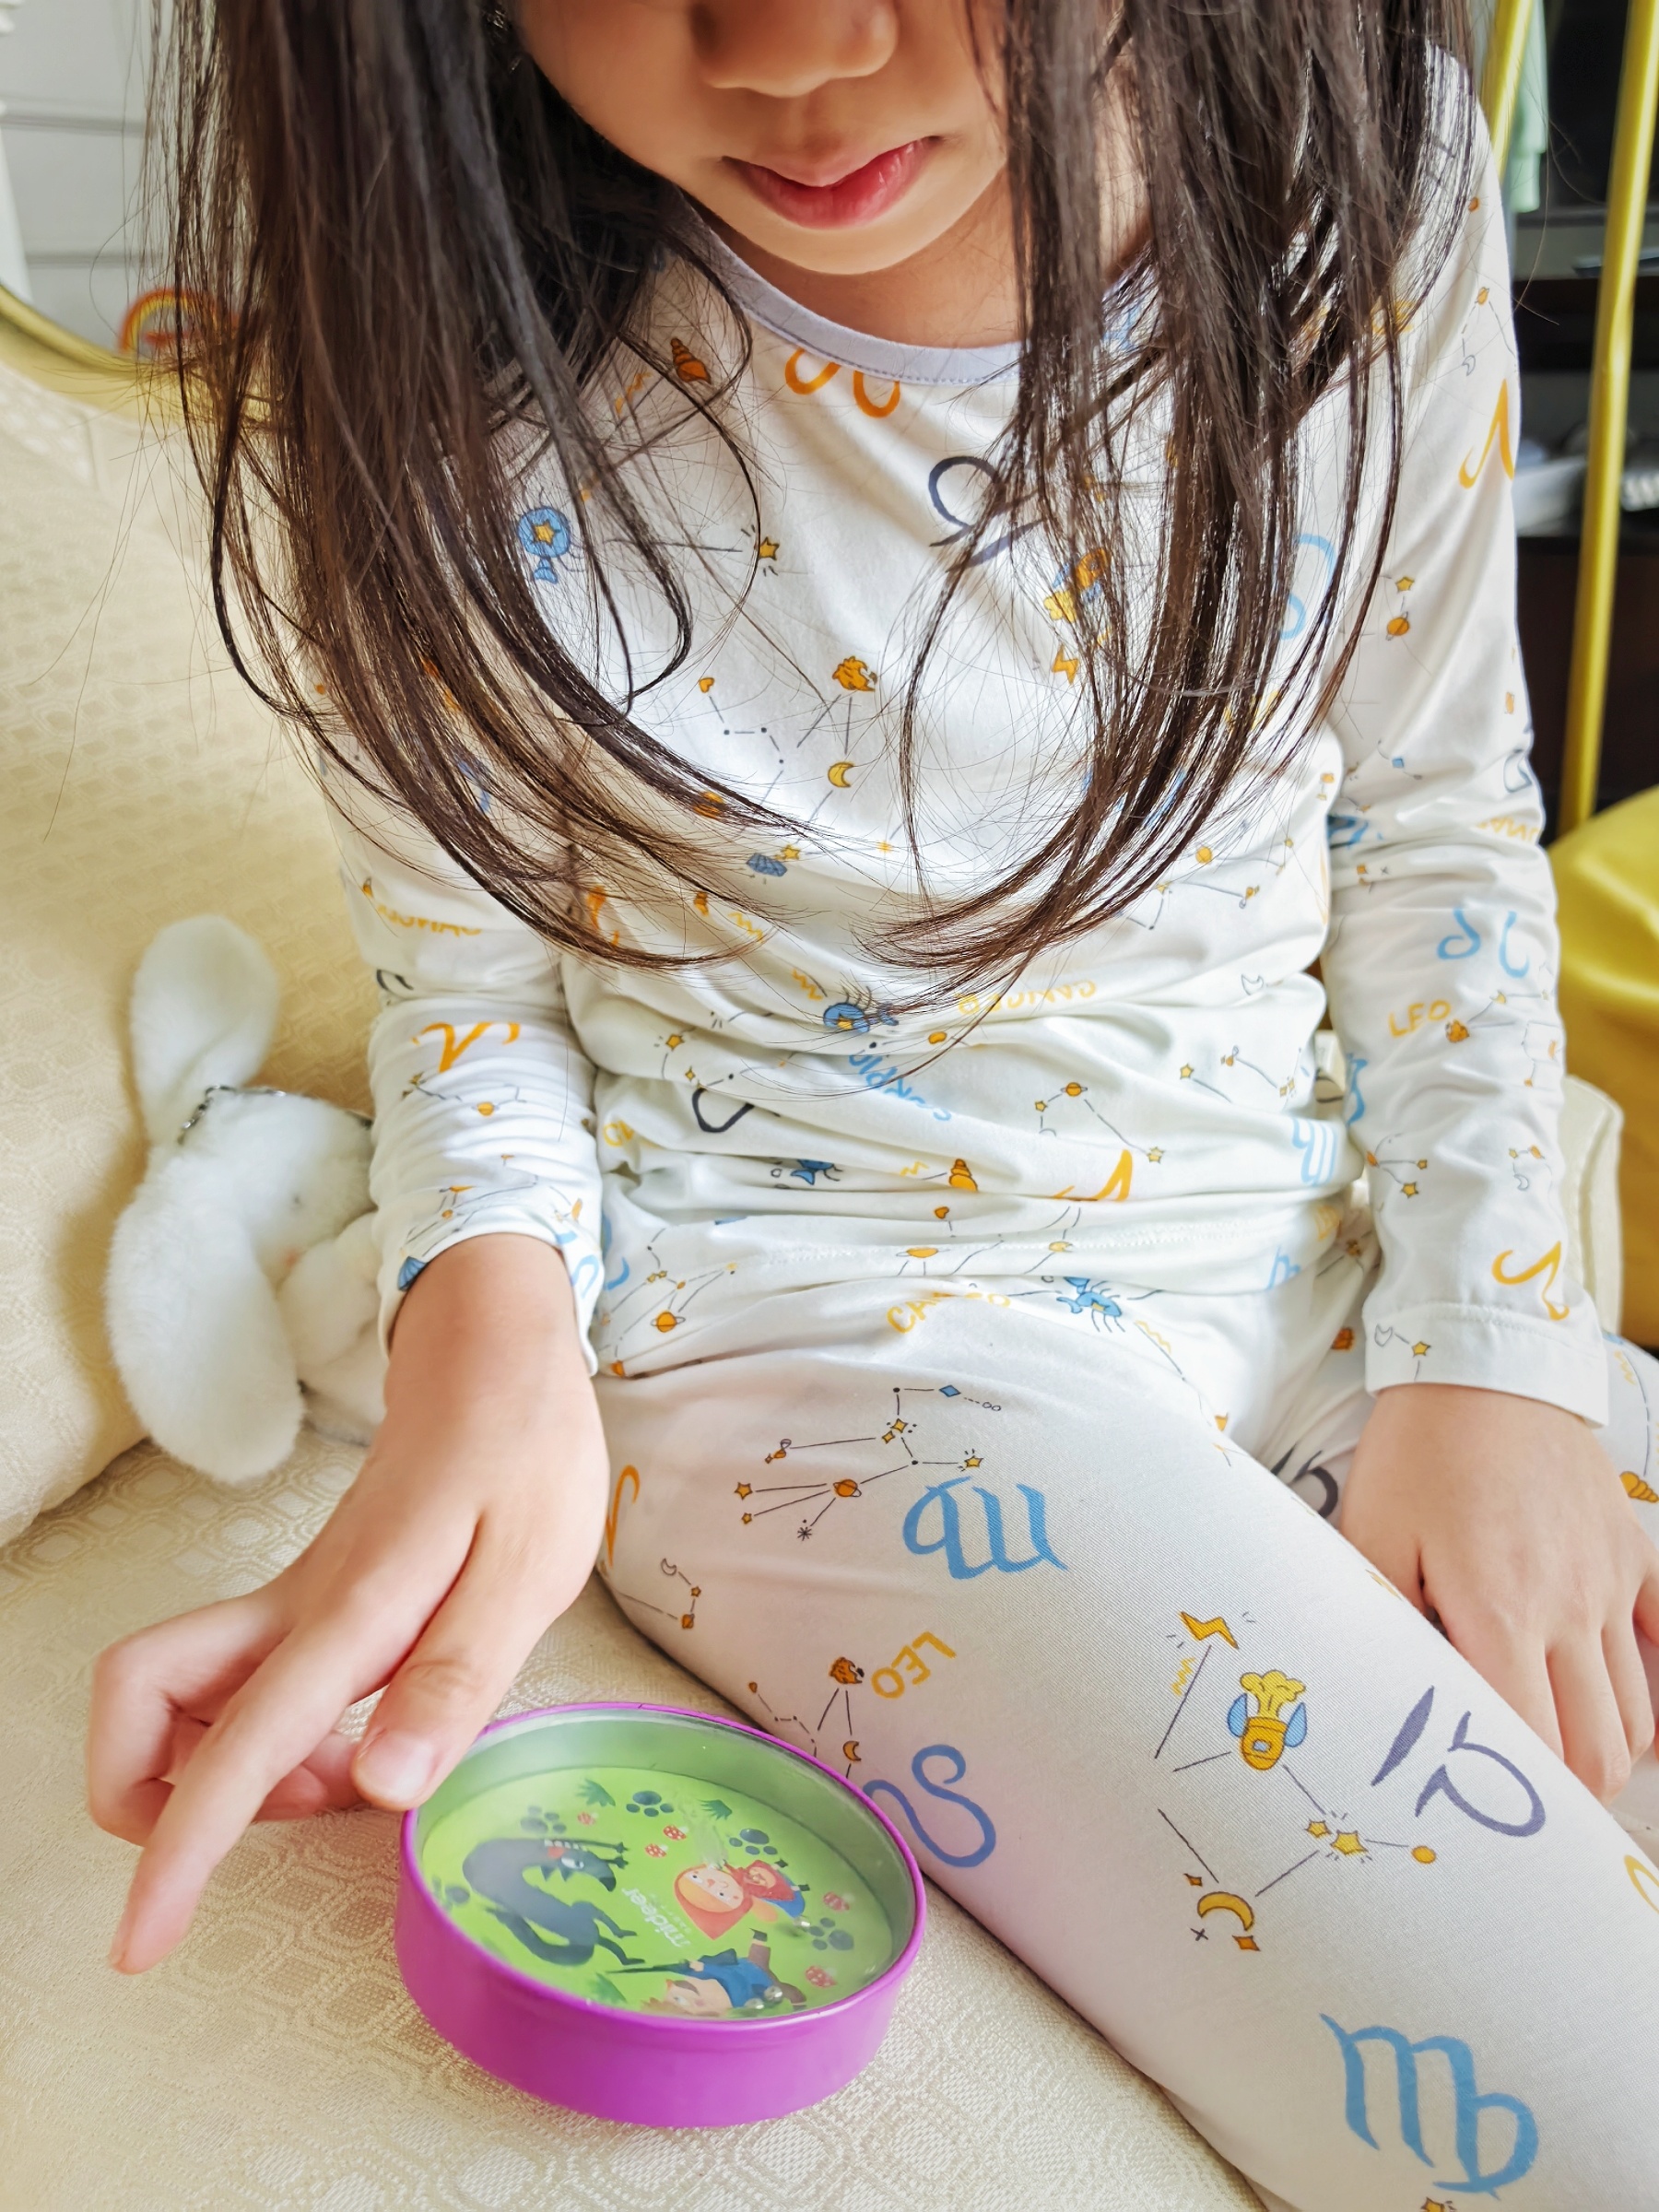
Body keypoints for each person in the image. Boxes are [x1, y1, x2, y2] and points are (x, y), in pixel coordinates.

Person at [86, 4, 1659, 2204]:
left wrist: (1499, 1354)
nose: (791, 50)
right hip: (818, 1342)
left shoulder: (1356, 157)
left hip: (1312, 1251)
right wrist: (485, 1345)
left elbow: (1428, 816)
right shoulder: (424, 308)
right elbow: (470, 982)